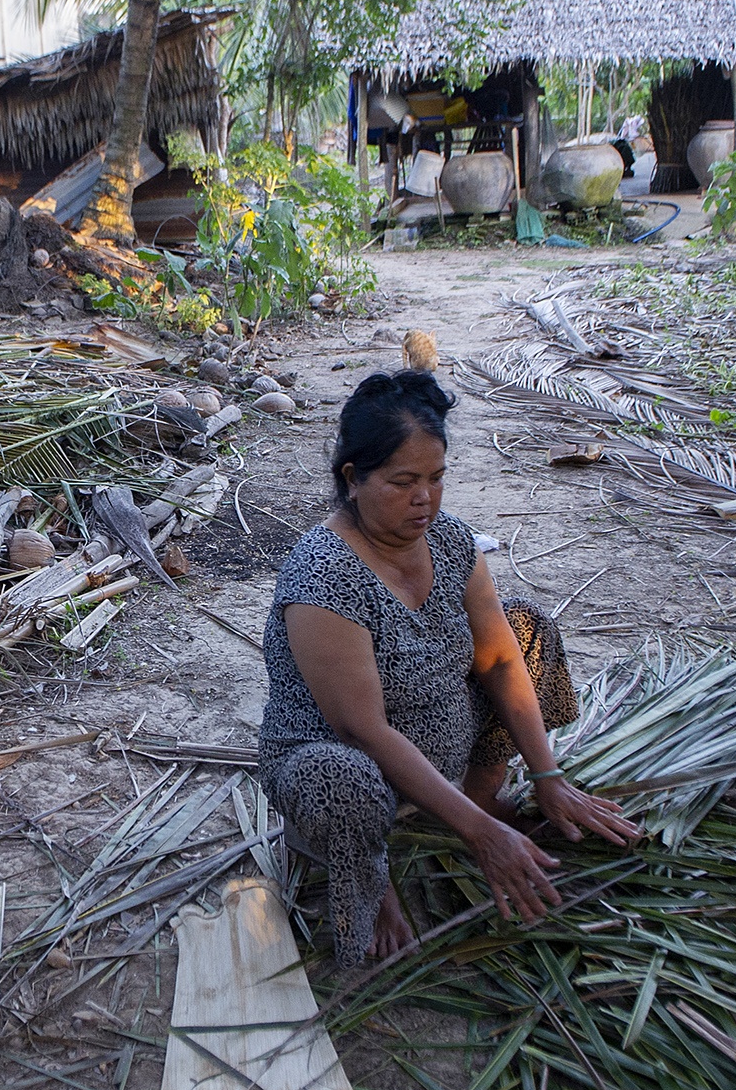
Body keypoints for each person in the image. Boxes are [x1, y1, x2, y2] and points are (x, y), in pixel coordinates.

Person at [259, 371, 642, 964]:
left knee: (527, 629)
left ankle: (480, 796)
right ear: (353, 480)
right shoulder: (323, 576)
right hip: (344, 760)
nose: (425, 499)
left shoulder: (451, 542)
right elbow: (363, 729)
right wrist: (482, 840)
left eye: (437, 478)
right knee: (339, 779)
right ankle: (374, 880)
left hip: (440, 731)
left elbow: (498, 657)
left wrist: (548, 778)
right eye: (403, 481)